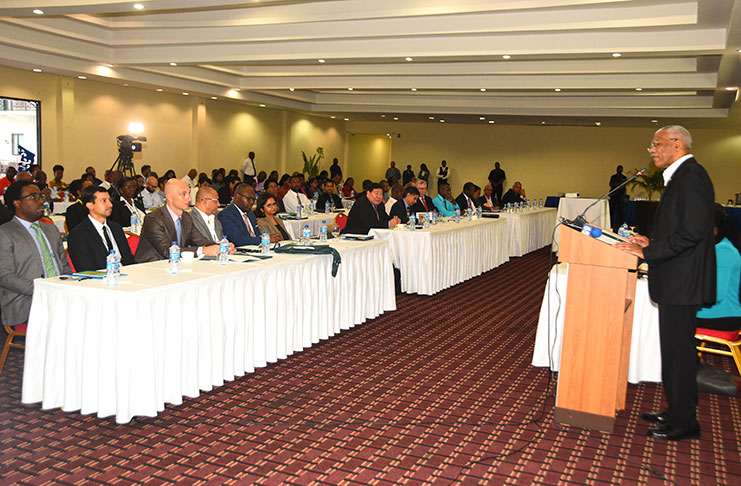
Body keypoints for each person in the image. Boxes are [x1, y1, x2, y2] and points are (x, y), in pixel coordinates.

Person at [614, 125, 715, 442]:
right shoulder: (682, 177)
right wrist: (652, 240)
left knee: (680, 353)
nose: (652, 150)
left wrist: (647, 251)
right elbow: (681, 229)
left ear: (677, 144)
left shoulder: (692, 177)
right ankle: (677, 411)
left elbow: (693, 232)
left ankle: (685, 421)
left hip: (682, 281)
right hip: (675, 278)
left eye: (656, 144)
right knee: (674, 352)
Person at [0, 180, 72, 327]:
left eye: (41, 197)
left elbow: (64, 265)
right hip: (26, 299)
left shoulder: (50, 229)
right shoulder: (5, 232)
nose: (41, 202)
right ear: (17, 203)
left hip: (58, 293)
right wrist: (44, 288)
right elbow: (5, 277)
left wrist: (66, 286)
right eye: (34, 197)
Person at [135, 179, 229, 262]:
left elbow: (200, 241)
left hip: (176, 266)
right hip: (151, 267)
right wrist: (203, 250)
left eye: (189, 193)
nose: (189, 198)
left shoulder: (186, 217)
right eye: (183, 194)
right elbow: (168, 251)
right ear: (169, 197)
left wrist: (220, 247)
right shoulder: (153, 219)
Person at [67, 186, 135, 271]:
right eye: (103, 201)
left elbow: (129, 260)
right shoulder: (78, 234)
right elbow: (86, 270)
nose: (110, 204)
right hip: (100, 280)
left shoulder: (116, 228)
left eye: (109, 200)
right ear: (90, 205)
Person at [695, 207, 741, 332]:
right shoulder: (718, 247)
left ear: (715, 229)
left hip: (720, 315)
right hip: (715, 313)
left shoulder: (723, 250)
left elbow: (716, 293)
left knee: (667, 321)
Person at [609, 165, 628, 232]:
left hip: (620, 196)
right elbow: (611, 184)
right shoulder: (613, 177)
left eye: (620, 169)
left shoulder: (624, 177)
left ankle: (621, 225)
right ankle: (610, 224)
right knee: (612, 211)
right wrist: (618, 184)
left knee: (621, 212)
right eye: (618, 169)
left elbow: (623, 186)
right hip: (614, 195)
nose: (619, 170)